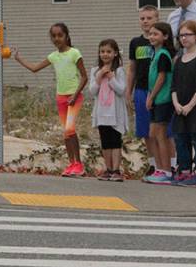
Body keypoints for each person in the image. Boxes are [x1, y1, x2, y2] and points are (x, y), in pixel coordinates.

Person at [13, 22, 89, 177]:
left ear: (66, 36)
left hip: (74, 96)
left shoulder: (74, 53)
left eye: (60, 35)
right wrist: (19, 58)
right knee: (66, 133)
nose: (57, 39)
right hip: (61, 97)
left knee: (70, 129)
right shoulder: (53, 56)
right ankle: (71, 164)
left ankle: (79, 165)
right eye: (53, 36)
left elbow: (84, 77)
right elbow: (35, 68)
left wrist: (74, 95)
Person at [171, 19, 196, 187]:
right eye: (181, 35)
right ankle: (185, 170)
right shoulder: (179, 60)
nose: (183, 38)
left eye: (187, 34)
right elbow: (173, 85)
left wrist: (189, 105)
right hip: (180, 108)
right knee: (181, 139)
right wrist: (176, 104)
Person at [88, 39, 128, 181]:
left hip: (115, 113)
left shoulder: (119, 71)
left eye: (109, 51)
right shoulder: (95, 70)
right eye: (102, 51)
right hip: (101, 113)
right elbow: (92, 91)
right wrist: (99, 77)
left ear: (115, 53)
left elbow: (122, 90)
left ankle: (116, 170)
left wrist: (111, 77)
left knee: (115, 140)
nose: (105, 54)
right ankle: (108, 168)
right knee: (105, 141)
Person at [125, 5, 159, 175]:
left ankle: (166, 165)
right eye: (142, 18)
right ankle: (153, 164)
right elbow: (132, 69)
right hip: (141, 90)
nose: (145, 21)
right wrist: (128, 92)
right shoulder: (135, 43)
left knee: (161, 130)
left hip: (159, 92)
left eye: (149, 18)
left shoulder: (162, 41)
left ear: (156, 19)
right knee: (146, 131)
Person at [142, 22, 176, 184]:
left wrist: (151, 96)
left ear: (165, 36)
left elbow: (162, 78)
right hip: (157, 99)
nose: (152, 37)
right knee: (153, 133)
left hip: (163, 99)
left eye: (156, 34)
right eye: (150, 34)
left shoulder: (163, 54)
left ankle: (166, 171)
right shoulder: (155, 54)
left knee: (159, 134)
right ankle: (160, 169)